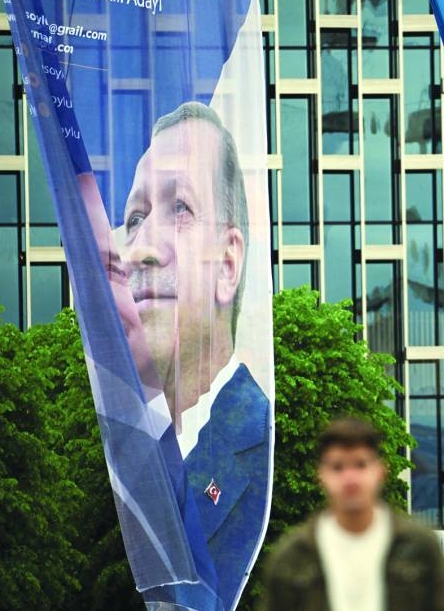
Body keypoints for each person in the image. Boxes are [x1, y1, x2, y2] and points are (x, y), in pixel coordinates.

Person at [118, 101, 272, 610]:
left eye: (179, 208)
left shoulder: (266, 439)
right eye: (135, 217)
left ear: (228, 264)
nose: (140, 247)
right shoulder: (129, 453)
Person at [263, 417, 444, 611]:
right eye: (338, 467)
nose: (350, 478)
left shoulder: (419, 547)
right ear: (321, 475)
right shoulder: (293, 556)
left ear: (381, 471)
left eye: (360, 465)